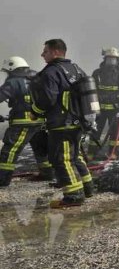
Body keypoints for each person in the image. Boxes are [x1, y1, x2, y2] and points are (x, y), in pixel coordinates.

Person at [31, 39, 95, 208]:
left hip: (62, 124)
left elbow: (48, 99)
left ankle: (74, 196)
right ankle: (88, 188)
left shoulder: (51, 72)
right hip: (78, 122)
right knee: (75, 156)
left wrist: (35, 111)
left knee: (62, 159)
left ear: (55, 52)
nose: (42, 54)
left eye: (45, 51)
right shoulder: (76, 69)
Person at [0, 56, 52, 186]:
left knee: (10, 150)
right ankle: (47, 173)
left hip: (22, 123)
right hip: (40, 121)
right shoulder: (38, 78)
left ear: (12, 68)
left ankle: (2, 179)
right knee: (41, 149)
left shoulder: (13, 81)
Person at [88, 47, 119, 161]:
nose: (111, 62)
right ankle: (91, 153)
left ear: (118, 60)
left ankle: (112, 153)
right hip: (99, 110)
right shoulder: (97, 73)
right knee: (95, 132)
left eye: (113, 59)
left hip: (115, 110)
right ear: (104, 59)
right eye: (109, 59)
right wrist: (92, 109)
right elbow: (92, 91)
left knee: (115, 133)